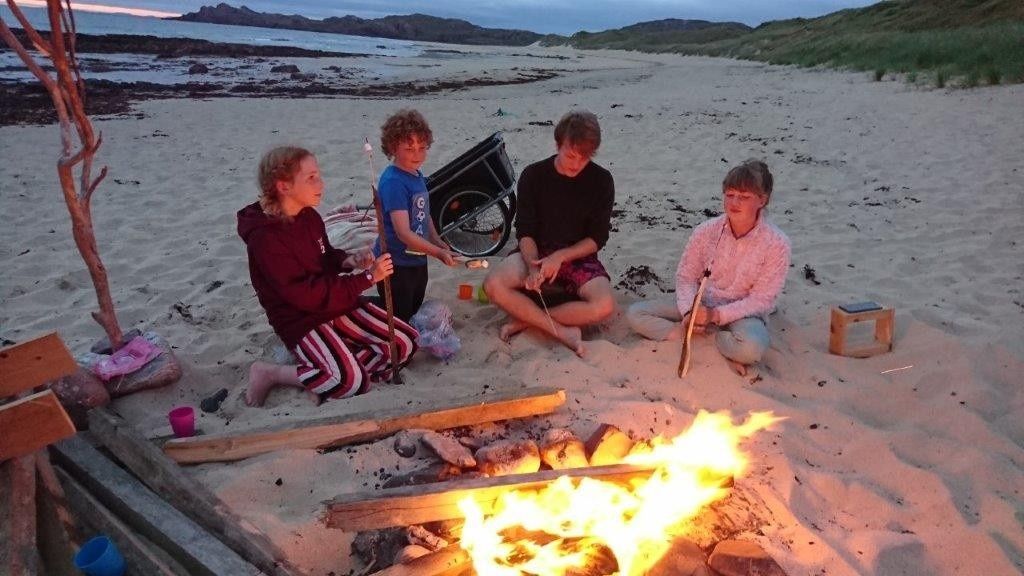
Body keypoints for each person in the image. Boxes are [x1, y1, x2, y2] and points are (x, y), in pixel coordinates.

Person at [238, 146, 418, 407]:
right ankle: (272, 373)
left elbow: (325, 257)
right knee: (352, 382)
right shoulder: (265, 238)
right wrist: (367, 279)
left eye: (319, 175)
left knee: (406, 342)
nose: (321, 183)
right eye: (311, 177)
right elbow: (306, 295)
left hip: (335, 304)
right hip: (302, 318)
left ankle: (327, 372)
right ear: (284, 186)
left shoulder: (308, 216)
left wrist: (348, 260)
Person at [626, 160, 790, 376]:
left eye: (744, 196)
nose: (734, 202)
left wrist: (715, 315)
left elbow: (762, 300)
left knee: (752, 348)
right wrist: (689, 312)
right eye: (730, 194)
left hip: (741, 312)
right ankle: (697, 334)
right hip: (700, 303)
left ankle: (708, 339)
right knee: (635, 314)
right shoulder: (706, 231)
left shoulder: (777, 243)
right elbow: (686, 276)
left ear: (762, 199)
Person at [483, 110, 616, 356]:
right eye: (570, 155)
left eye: (583, 158)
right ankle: (562, 331)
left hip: (577, 256)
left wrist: (561, 256)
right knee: (493, 285)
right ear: (558, 144)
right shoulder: (534, 175)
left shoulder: (601, 180)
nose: (576, 164)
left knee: (605, 306)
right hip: (537, 250)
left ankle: (527, 320)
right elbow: (525, 231)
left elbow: (597, 239)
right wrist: (533, 268)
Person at [373, 109, 459, 321]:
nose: (417, 154)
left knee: (413, 306)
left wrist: (436, 240)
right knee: (398, 316)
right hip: (396, 264)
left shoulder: (416, 175)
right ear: (393, 147)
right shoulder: (394, 181)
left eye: (422, 148)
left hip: (417, 258)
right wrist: (437, 253)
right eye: (409, 149)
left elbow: (423, 212)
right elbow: (403, 233)